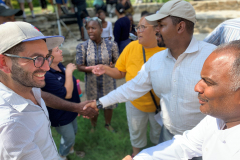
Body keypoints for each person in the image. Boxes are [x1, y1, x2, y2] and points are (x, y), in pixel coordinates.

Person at [85, 0, 216, 159]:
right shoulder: (156, 61)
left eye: (161, 25)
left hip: (205, 142)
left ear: (180, 27)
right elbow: (131, 88)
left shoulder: (213, 58)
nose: (157, 30)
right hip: (168, 136)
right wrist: (99, 102)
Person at [123, 40, 240, 160]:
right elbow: (185, 145)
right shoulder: (217, 118)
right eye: (201, 79)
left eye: (209, 82)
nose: (197, 87)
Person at [0, 21, 98, 159]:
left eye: (47, 57)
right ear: (3, 62)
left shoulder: (25, 86)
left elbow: (42, 95)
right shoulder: (12, 126)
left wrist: (77, 107)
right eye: (37, 58)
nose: (46, 67)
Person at [87, 15, 165, 157]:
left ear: (156, 30)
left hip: (159, 107)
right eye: (137, 27)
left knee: (158, 138)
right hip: (134, 103)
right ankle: (135, 156)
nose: (138, 31)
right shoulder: (131, 47)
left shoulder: (166, 52)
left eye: (143, 27)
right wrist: (106, 69)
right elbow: (120, 72)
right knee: (136, 135)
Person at [76, 17, 119, 132]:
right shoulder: (82, 46)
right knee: (92, 104)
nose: (90, 31)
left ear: (101, 29)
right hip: (91, 82)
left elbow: (118, 62)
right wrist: (92, 69)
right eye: (88, 28)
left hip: (108, 81)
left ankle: (107, 124)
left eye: (93, 28)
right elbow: (79, 66)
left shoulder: (112, 45)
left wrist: (110, 67)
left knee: (109, 103)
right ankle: (93, 126)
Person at [41, 47, 85, 160]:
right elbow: (67, 94)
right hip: (60, 115)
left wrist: (77, 107)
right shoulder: (47, 75)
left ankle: (71, 151)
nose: (61, 51)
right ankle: (61, 156)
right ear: (48, 57)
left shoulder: (59, 66)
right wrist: (69, 72)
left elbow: (71, 86)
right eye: (57, 50)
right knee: (69, 137)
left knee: (74, 132)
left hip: (71, 109)